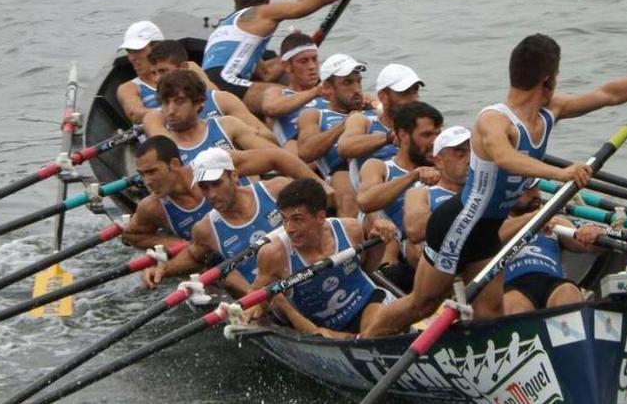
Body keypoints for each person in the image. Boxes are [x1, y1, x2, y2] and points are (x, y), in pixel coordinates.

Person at [361, 34, 627, 336]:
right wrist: (559, 174)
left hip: (489, 231)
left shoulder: (552, 110)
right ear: (548, 78)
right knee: (422, 303)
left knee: (489, 314)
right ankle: (367, 344)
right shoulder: (493, 119)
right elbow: (505, 158)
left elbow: (607, 95)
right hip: (457, 225)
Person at [200, 0, 391, 116]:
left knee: (287, 89)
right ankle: (364, 110)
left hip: (209, 83)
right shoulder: (262, 12)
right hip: (226, 82)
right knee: (295, 97)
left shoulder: (224, 28)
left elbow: (265, 73)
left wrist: (295, 52)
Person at [124, 136, 331, 250]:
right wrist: (174, 244)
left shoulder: (215, 163)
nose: (147, 182)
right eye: (142, 175)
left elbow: (277, 157)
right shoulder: (152, 207)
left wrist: (321, 186)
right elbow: (132, 235)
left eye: (153, 172)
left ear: (175, 164)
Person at [251, 178, 395, 338]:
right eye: (284, 220)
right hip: (323, 332)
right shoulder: (274, 255)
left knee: (371, 336)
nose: (289, 228)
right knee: (327, 335)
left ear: (320, 217)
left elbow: (366, 269)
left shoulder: (351, 229)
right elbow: (256, 301)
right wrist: (255, 310)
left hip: (368, 302)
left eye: (297, 219)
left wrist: (379, 244)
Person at [140, 148, 290, 298]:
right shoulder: (205, 230)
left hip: (306, 276)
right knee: (230, 278)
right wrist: (163, 270)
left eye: (216, 183)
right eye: (204, 187)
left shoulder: (276, 190)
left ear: (234, 175)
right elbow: (193, 258)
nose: (211, 194)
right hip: (270, 304)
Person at [357, 102, 443, 272]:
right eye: (426, 135)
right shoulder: (379, 166)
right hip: (405, 243)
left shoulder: (445, 167)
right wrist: (413, 176)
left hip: (444, 237)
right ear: (403, 135)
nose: (435, 142)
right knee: (416, 247)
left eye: (437, 134)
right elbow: (366, 201)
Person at [500, 180, 603, 314]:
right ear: (507, 194)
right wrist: (532, 219)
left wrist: (595, 234)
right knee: (513, 307)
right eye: (526, 190)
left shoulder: (555, 222)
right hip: (513, 286)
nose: (534, 194)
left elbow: (592, 248)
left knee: (569, 293)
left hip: (551, 282)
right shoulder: (497, 225)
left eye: (536, 187)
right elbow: (488, 239)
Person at [141, 69, 277, 167]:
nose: (170, 111)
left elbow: (278, 156)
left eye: (180, 101)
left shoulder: (228, 126)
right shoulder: (165, 149)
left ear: (198, 103)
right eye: (165, 102)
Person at [148, 40, 276, 142]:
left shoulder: (220, 99)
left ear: (184, 68)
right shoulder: (156, 117)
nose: (157, 79)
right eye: (153, 73)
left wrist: (245, 131)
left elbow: (268, 136)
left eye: (163, 71)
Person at [296, 53, 367, 217]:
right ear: (327, 88)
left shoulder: (371, 110)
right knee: (345, 185)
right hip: (343, 173)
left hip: (381, 166)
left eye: (359, 81)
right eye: (348, 83)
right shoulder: (314, 115)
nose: (357, 89)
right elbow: (306, 152)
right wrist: (346, 124)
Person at [337, 63, 424, 190]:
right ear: (383, 96)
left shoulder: (425, 128)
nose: (414, 99)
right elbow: (344, 147)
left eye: (415, 91)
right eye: (405, 93)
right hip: (376, 198)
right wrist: (388, 137)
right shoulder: (363, 120)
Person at [401, 125, 471, 269]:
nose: (470, 159)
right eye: (459, 153)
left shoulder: (486, 189)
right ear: (439, 161)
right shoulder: (421, 193)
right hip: (446, 266)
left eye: (474, 152)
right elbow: (415, 231)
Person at [261, 32, 327, 154]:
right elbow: (271, 108)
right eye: (304, 61)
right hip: (301, 151)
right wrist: (315, 92)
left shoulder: (328, 93)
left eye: (314, 59)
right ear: (287, 66)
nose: (312, 66)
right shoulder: (277, 92)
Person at [115, 20, 165, 123]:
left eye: (137, 51)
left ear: (157, 47)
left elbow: (208, 93)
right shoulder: (128, 88)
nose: (131, 58)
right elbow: (135, 114)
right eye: (129, 51)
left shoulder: (188, 70)